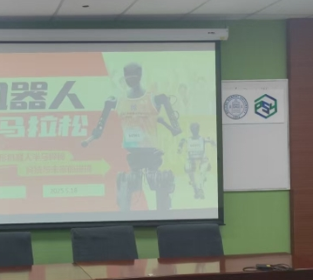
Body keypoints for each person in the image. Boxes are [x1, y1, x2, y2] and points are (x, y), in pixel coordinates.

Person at [82, 63, 182, 211]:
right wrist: (96, 133)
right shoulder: (119, 100)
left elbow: (169, 112)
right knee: (131, 183)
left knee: (157, 182)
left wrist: (174, 125)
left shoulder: (152, 98)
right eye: (128, 77)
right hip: (134, 152)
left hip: (149, 151)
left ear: (140, 76)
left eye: (133, 77)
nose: (130, 80)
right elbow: (103, 118)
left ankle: (163, 210)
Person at [178, 123, 216, 200]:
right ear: (191, 130)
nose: (194, 131)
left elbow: (211, 140)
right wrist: (179, 148)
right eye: (193, 130)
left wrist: (214, 144)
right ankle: (195, 188)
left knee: (202, 170)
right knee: (188, 168)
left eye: (196, 129)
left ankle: (200, 189)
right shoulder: (188, 139)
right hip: (191, 159)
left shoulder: (202, 139)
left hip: (202, 159)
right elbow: (182, 141)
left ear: (198, 130)